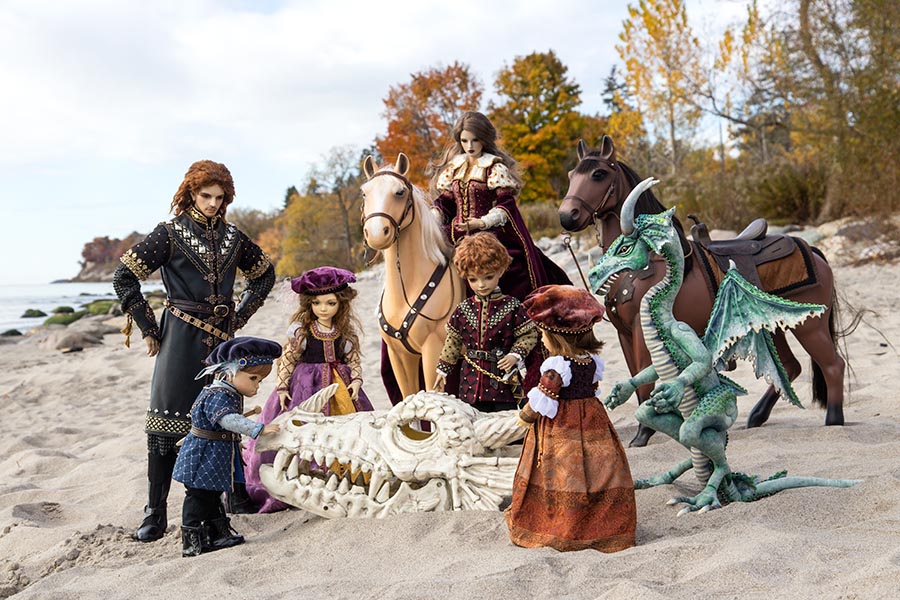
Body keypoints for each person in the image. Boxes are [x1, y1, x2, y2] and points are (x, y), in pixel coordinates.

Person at [113, 160, 275, 542]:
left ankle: (233, 496)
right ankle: (155, 512)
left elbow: (265, 274)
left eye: (220, 198)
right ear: (190, 193)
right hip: (179, 337)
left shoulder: (235, 238)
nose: (213, 204)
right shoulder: (168, 234)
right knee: (165, 427)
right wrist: (149, 328)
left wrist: (239, 316)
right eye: (206, 196)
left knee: (224, 417)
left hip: (222, 342)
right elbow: (124, 277)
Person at [505, 285, 636, 553]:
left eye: (543, 334)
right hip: (593, 419)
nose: (541, 340)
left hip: (561, 427)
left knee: (561, 473)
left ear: (556, 337)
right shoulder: (590, 362)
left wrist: (524, 417)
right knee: (599, 467)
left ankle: (563, 528)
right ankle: (603, 525)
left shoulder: (557, 366)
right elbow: (593, 390)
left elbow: (543, 399)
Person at [243, 266, 374, 512]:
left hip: (340, 386)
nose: (323, 309)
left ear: (341, 304)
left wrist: (356, 381)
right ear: (308, 304)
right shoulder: (302, 332)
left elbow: (353, 359)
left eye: (330, 303)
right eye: (317, 303)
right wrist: (282, 387)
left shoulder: (344, 333)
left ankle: (341, 474)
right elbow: (288, 359)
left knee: (347, 425)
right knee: (301, 425)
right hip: (305, 385)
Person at [428, 111, 570, 302]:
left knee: (511, 269)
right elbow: (445, 201)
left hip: (489, 232)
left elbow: (506, 204)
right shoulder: (454, 168)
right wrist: (433, 214)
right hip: (457, 233)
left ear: (484, 139)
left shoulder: (494, 168)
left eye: (475, 140)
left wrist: (482, 222)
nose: (469, 146)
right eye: (464, 141)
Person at [173, 337, 282, 557]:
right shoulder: (218, 395)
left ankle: (218, 533)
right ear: (231, 372)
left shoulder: (227, 393)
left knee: (213, 496)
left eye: (259, 380)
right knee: (198, 497)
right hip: (203, 457)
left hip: (214, 455)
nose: (256, 385)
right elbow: (228, 420)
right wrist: (258, 428)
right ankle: (191, 540)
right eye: (253, 378)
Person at [433, 233, 538, 412]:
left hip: (503, 381)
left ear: (501, 271)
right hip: (470, 381)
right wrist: (442, 371)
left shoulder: (512, 306)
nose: (481, 284)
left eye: (488, 277)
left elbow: (529, 335)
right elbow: (453, 342)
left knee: (504, 424)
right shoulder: (463, 309)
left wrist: (515, 355)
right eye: (473, 279)